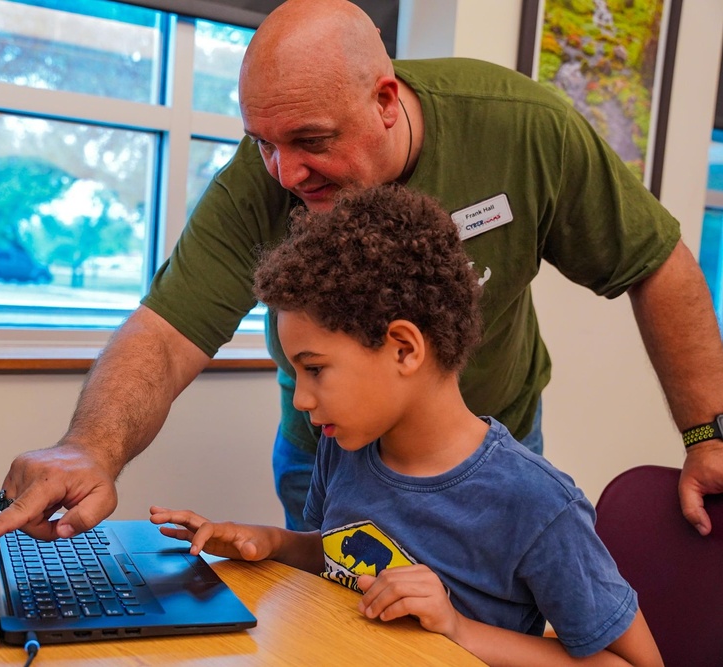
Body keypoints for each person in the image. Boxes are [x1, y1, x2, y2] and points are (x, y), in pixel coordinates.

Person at [0, 0, 723, 544]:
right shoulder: (265, 174)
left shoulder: (524, 130)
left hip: (496, 449)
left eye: (309, 140)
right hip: (329, 461)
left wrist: (707, 433)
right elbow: (168, 332)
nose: (286, 170)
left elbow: (655, 263)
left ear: (387, 102)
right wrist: (90, 447)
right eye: (262, 142)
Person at [151, 183, 662, 666]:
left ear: (404, 349)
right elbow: (339, 555)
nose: (302, 399)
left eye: (315, 369)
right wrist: (268, 543)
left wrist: (457, 628)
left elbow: (636, 663)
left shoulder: (538, 504)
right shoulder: (344, 447)